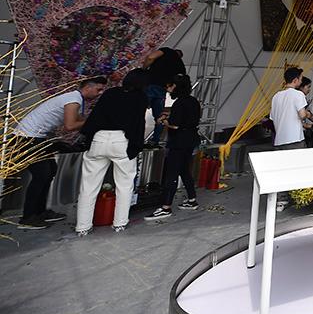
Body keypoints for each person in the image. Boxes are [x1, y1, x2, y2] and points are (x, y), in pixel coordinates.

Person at [14, 77, 107, 230]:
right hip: (26, 138)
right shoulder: (73, 99)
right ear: (88, 87)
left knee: (50, 170)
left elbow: (81, 121)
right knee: (41, 175)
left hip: (38, 138)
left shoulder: (77, 100)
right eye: (98, 89)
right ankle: (28, 217)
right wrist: (96, 120)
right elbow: (70, 125)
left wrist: (92, 121)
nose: (100, 93)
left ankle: (40, 212)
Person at [75, 69, 149, 235]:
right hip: (122, 140)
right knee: (124, 185)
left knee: (88, 186)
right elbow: (138, 123)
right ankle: (119, 223)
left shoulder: (110, 93)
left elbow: (94, 117)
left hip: (99, 139)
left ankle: (82, 227)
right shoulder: (140, 97)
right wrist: (136, 145)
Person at [144, 74, 201, 221]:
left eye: (169, 86)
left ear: (175, 86)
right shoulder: (193, 101)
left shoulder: (179, 103)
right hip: (190, 140)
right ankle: (192, 199)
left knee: (171, 173)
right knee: (184, 170)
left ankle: (166, 207)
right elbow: (187, 119)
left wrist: (163, 121)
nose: (168, 89)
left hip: (179, 142)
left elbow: (175, 125)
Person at [140, 47, 186, 145]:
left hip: (150, 84)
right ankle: (155, 141)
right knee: (160, 117)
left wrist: (143, 69)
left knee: (138, 113)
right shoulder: (181, 66)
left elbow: (151, 57)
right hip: (162, 90)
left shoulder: (167, 51)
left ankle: (136, 139)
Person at [270, 67, 312, 150]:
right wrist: (308, 114)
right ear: (295, 80)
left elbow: (272, 118)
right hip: (295, 140)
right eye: (300, 79)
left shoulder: (276, 96)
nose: (301, 81)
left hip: (279, 141)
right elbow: (302, 115)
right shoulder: (298, 94)